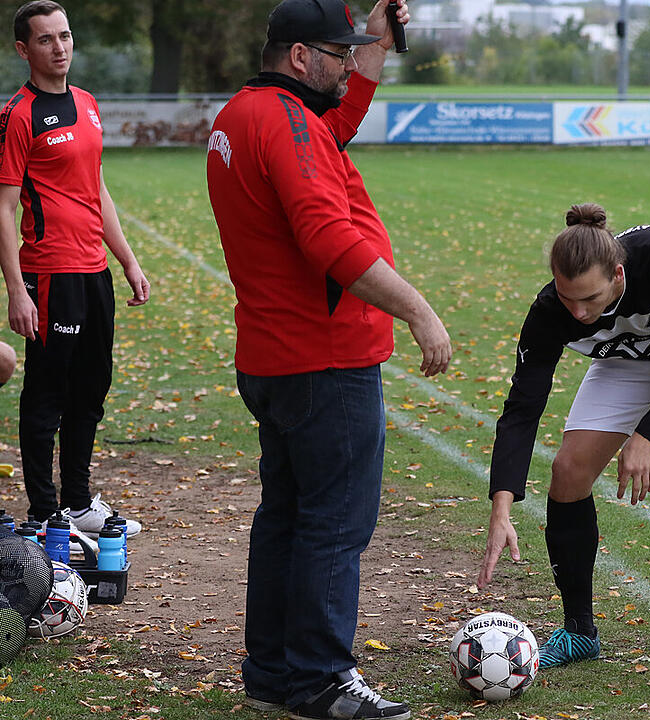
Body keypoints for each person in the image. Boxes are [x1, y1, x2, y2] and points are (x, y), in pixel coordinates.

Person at [206, 1, 450, 718]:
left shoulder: (249, 114)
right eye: (338, 54)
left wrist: (376, 32)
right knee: (334, 525)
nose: (350, 64)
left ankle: (274, 673)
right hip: (325, 360)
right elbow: (330, 243)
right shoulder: (286, 123)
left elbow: (337, 122)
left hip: (275, 357)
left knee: (286, 518)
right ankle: (319, 678)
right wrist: (418, 310)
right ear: (300, 58)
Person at [478, 203, 650, 683]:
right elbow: (522, 410)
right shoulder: (551, 311)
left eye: (590, 299)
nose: (580, 314)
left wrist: (646, 434)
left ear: (619, 275)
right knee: (568, 472)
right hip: (628, 358)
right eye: (569, 300)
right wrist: (502, 505)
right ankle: (580, 631)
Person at [0, 1, 149, 534]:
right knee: (47, 393)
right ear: (25, 49)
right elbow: (5, 206)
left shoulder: (87, 103)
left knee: (91, 388)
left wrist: (127, 260)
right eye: (46, 40)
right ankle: (43, 512)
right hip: (48, 275)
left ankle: (80, 500)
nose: (60, 47)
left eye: (65, 36)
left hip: (93, 273)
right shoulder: (18, 114)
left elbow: (96, 188)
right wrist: (16, 290)